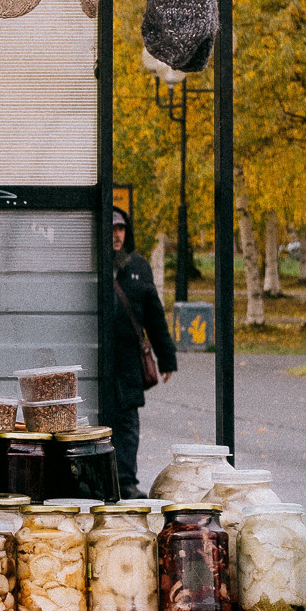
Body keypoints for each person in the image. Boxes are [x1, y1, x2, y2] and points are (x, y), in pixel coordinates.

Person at [102, 207, 177, 495]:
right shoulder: (93, 264)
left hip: (130, 362)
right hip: (101, 360)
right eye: (111, 230)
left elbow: (154, 317)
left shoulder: (139, 268)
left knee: (128, 424)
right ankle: (99, 482)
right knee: (98, 421)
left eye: (120, 229)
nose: (116, 235)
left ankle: (127, 481)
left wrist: (166, 357)